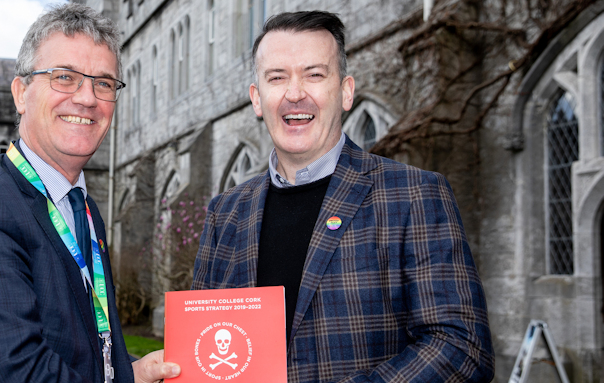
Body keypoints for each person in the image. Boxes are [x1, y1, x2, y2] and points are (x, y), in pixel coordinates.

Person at [191, 11, 495, 382]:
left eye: (314, 74)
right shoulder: (226, 214)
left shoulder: (413, 195)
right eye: (277, 78)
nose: (294, 94)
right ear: (257, 99)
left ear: (346, 91)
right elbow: (204, 349)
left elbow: (462, 348)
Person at [0, 4, 179, 383]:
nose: (87, 98)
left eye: (103, 83)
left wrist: (132, 373)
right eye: (65, 77)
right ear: (21, 94)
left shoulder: (83, 208)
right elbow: (17, 373)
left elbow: (84, 346)